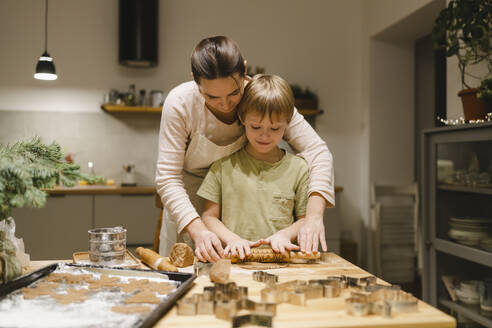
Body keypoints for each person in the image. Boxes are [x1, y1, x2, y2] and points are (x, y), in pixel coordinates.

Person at [155, 36, 334, 262]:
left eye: (233, 93)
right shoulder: (179, 103)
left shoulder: (258, 97)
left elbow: (318, 151)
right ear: (195, 82)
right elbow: (168, 178)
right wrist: (199, 230)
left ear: (244, 72)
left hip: (237, 208)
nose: (226, 104)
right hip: (187, 206)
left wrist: (313, 217)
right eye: (212, 96)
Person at [197, 74, 310, 259]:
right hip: (234, 263)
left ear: (288, 122)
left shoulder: (299, 169)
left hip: (282, 265)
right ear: (242, 118)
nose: (264, 136)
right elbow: (209, 217)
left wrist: (285, 235)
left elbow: (306, 220)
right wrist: (232, 240)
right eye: (256, 127)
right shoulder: (222, 168)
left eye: (274, 129)